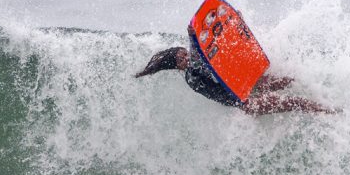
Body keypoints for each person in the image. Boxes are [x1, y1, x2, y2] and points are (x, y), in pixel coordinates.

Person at [135, 42, 338, 116]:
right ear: (177, 66)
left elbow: (221, 56)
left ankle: (331, 98)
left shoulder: (198, 65)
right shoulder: (192, 75)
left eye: (184, 52)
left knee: (288, 79)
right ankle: (337, 113)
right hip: (247, 102)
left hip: (248, 88)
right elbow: (200, 58)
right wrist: (192, 36)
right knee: (295, 101)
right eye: (181, 57)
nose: (186, 56)